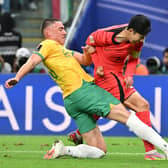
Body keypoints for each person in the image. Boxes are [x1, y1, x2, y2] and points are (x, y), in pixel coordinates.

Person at [4, 18, 168, 160]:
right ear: (48, 32)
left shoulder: (64, 51)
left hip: (71, 101)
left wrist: (90, 53)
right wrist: (17, 77)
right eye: (60, 29)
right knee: (128, 116)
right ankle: (163, 147)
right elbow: (32, 61)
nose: (64, 32)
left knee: (99, 151)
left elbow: (85, 60)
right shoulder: (47, 45)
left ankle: (64, 150)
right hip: (83, 91)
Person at [68, 14, 163, 160]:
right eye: (141, 36)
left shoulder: (137, 41)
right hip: (105, 76)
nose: (142, 40)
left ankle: (79, 133)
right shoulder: (105, 35)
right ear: (130, 31)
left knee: (140, 105)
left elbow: (133, 59)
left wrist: (130, 75)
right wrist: (98, 64)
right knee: (129, 107)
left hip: (119, 76)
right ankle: (150, 151)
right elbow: (90, 44)